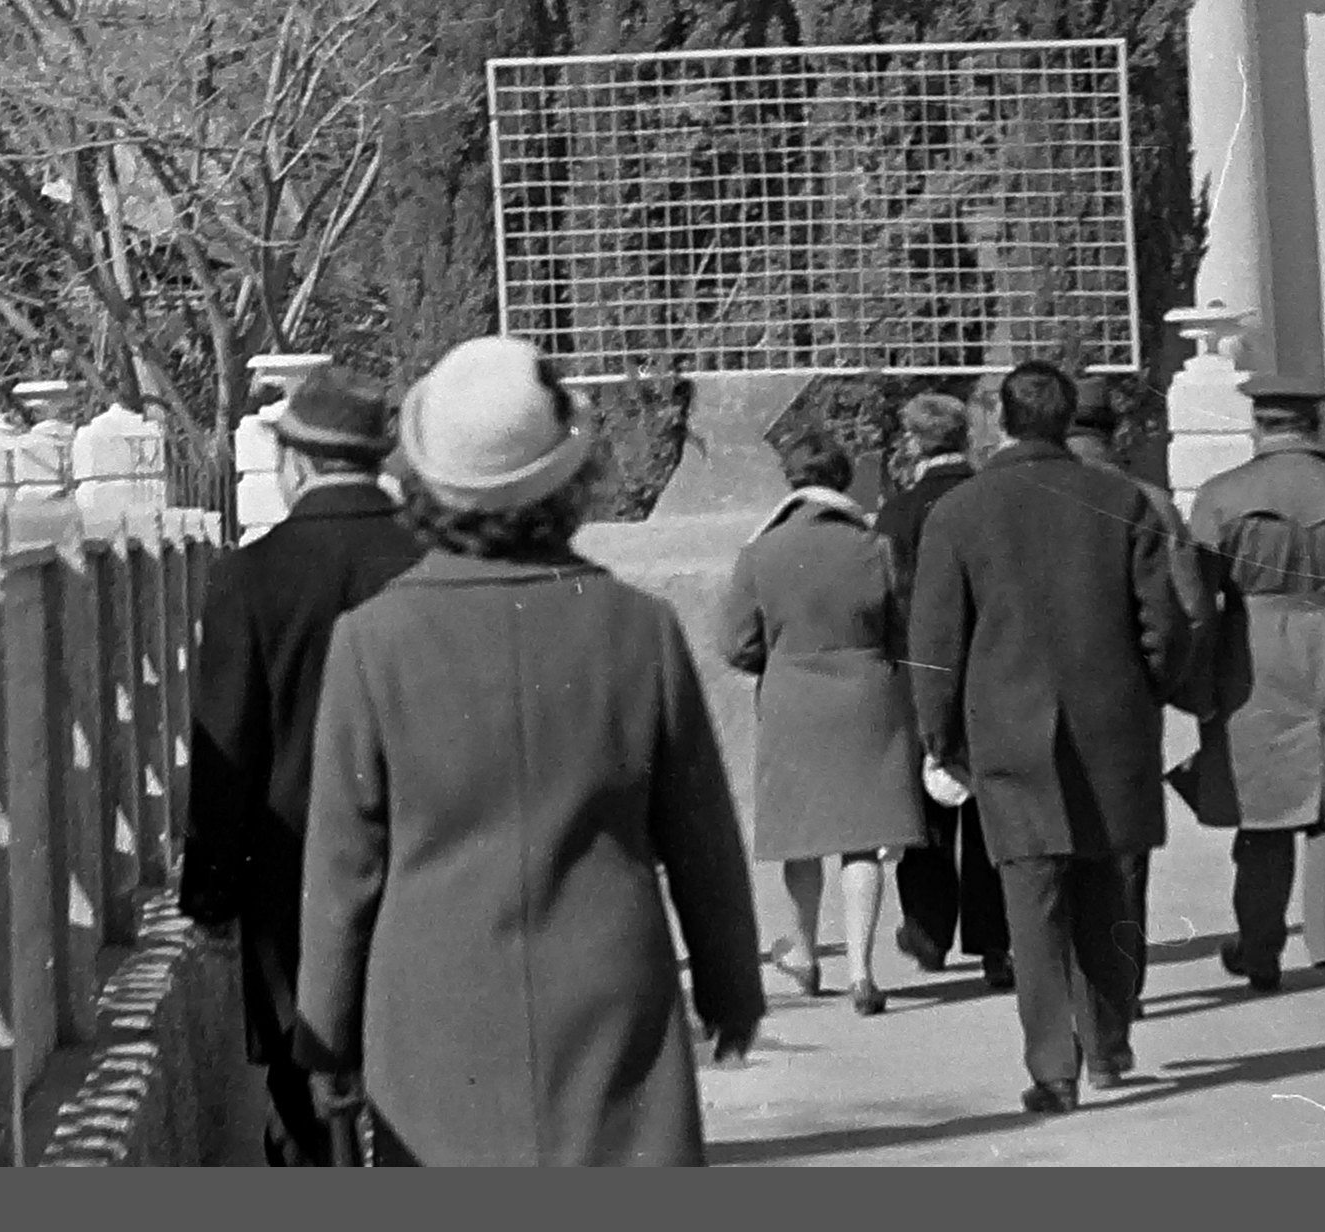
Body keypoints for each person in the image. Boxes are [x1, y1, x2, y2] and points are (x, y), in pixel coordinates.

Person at [295, 336, 766, 1164]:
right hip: (610, 992)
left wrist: (326, 1037)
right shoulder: (639, 629)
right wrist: (731, 985)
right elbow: (701, 836)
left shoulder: (371, 643)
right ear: (568, 478)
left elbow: (344, 864)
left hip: (435, 1008)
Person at [904, 357, 1211, 1115]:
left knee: (1032, 900)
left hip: (1007, 730)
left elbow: (937, 643)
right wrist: (1154, 690)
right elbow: (1162, 622)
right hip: (1112, 723)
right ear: (1068, 420)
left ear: (1002, 420)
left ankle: (1053, 1068)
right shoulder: (1121, 500)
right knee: (1107, 885)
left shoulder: (961, 512)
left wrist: (940, 739)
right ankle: (1109, 1046)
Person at [179, 365, 425, 1163]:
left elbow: (228, 749)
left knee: (300, 1092)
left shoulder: (248, 577)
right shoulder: (436, 566)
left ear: (295, 463)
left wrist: (212, 895)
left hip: (290, 878)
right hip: (426, 863)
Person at [1189, 367, 1325, 1006]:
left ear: (1259, 425)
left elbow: (1201, 595)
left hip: (1253, 648)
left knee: (1262, 808)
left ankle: (1260, 949)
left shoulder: (1222, 495)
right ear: (1317, 422)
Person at [717, 431, 923, 1015]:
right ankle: (861, 972)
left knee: (802, 836)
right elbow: (902, 628)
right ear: (843, 480)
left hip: (793, 700)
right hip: (867, 695)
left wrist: (779, 661)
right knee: (864, 837)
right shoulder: (876, 547)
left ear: (790, 480)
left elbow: (734, 643)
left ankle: (805, 953)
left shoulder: (761, 552)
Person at [876, 387, 1010, 985]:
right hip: (991, 668)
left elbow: (884, 594)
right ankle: (995, 943)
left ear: (913, 443)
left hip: (917, 669)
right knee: (989, 811)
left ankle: (928, 931)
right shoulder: (990, 501)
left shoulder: (898, 513)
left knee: (928, 810)